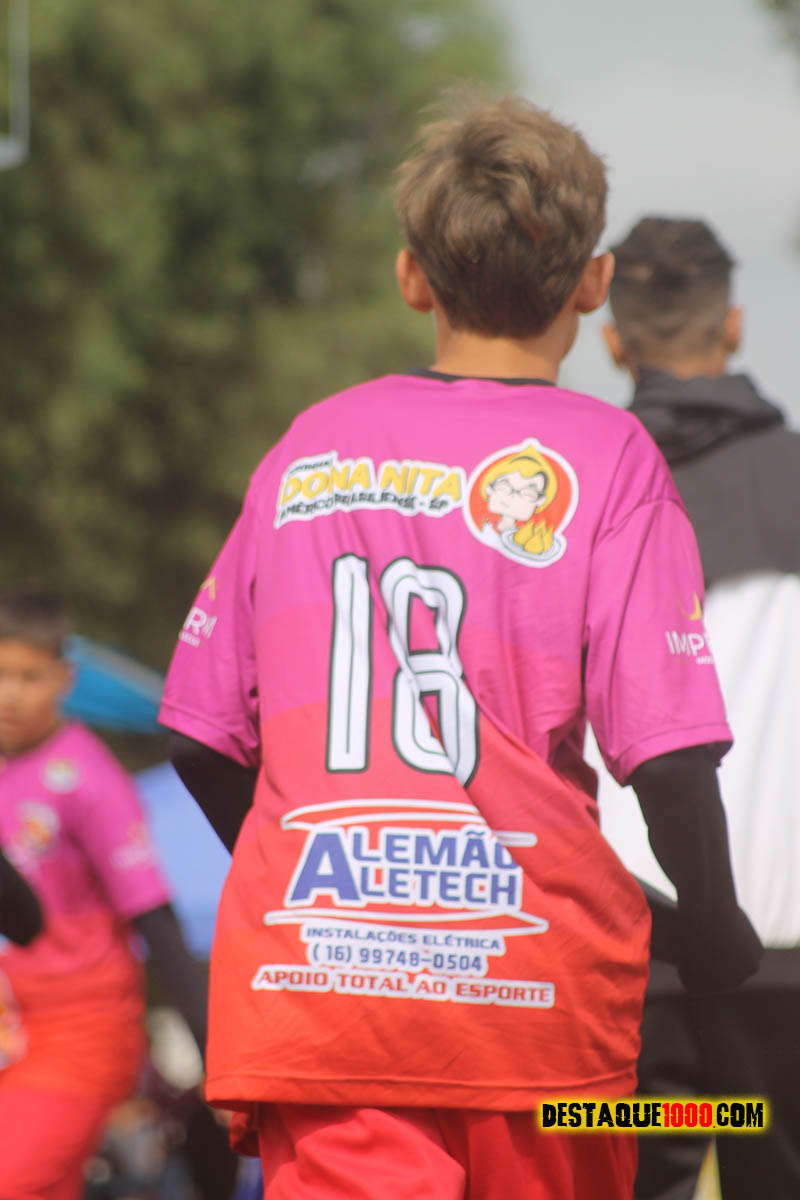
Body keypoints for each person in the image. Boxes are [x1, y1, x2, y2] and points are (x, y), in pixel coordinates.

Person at [160, 94, 761, 1200]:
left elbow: (201, 738)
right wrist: (716, 927)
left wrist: (316, 878)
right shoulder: (608, 458)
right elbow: (669, 756)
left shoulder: (307, 449)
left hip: (320, 996)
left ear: (411, 277)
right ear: (591, 283)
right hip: (532, 1007)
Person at [593, 215, 800, 1200]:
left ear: (612, 341)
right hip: (786, 975)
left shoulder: (569, 496)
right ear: (734, 326)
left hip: (622, 966)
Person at [0, 590, 208, 1200]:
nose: (10, 694)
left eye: (28, 676)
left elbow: (158, 923)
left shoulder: (88, 778)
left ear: (64, 678)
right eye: (0, 675)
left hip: (79, 1030)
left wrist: (216, 1056)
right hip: (13, 1028)